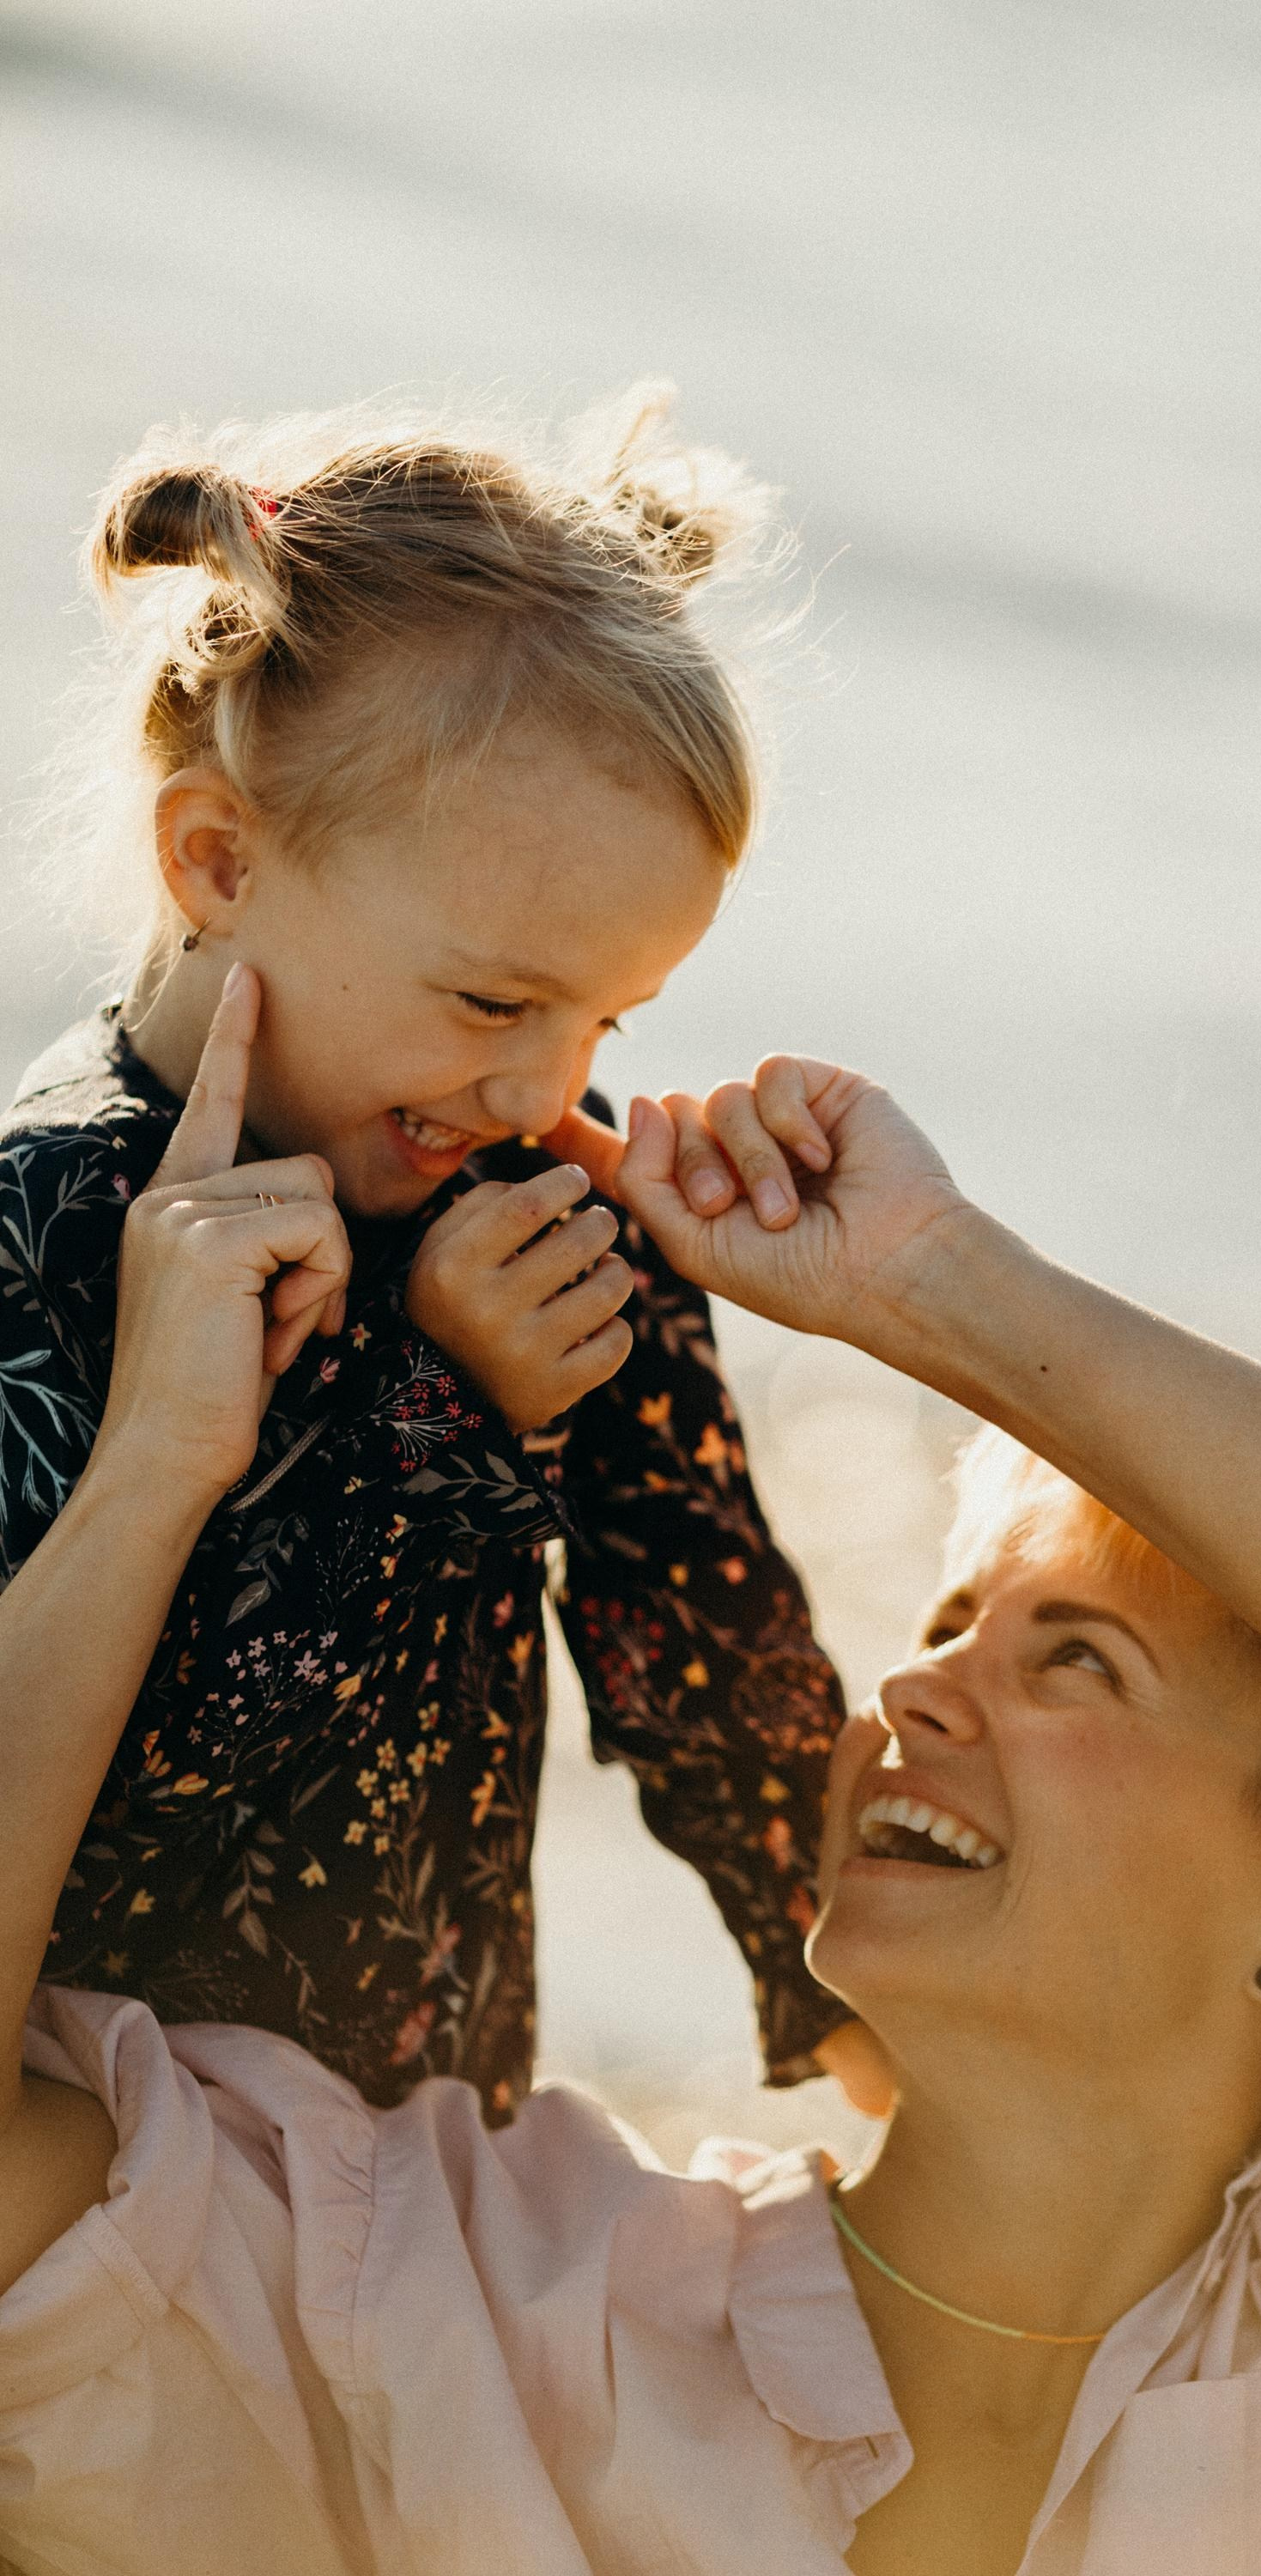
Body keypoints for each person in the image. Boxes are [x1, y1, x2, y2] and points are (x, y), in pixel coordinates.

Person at [1, 1002, 1261, 2576]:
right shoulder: (486, 2302)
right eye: (948, 1628)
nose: (909, 1689)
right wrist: (151, 1479)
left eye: (1076, 1663)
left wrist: (925, 1275)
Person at [0, 395, 856, 2118]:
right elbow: (108, 1786)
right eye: (491, 999)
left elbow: (705, 1635)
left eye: (607, 1013)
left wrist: (856, 2009)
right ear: (220, 858)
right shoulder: (57, 1227)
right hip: (104, 2194)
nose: (547, 1083)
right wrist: (439, 1418)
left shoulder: (540, 1181)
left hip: (431, 2178)